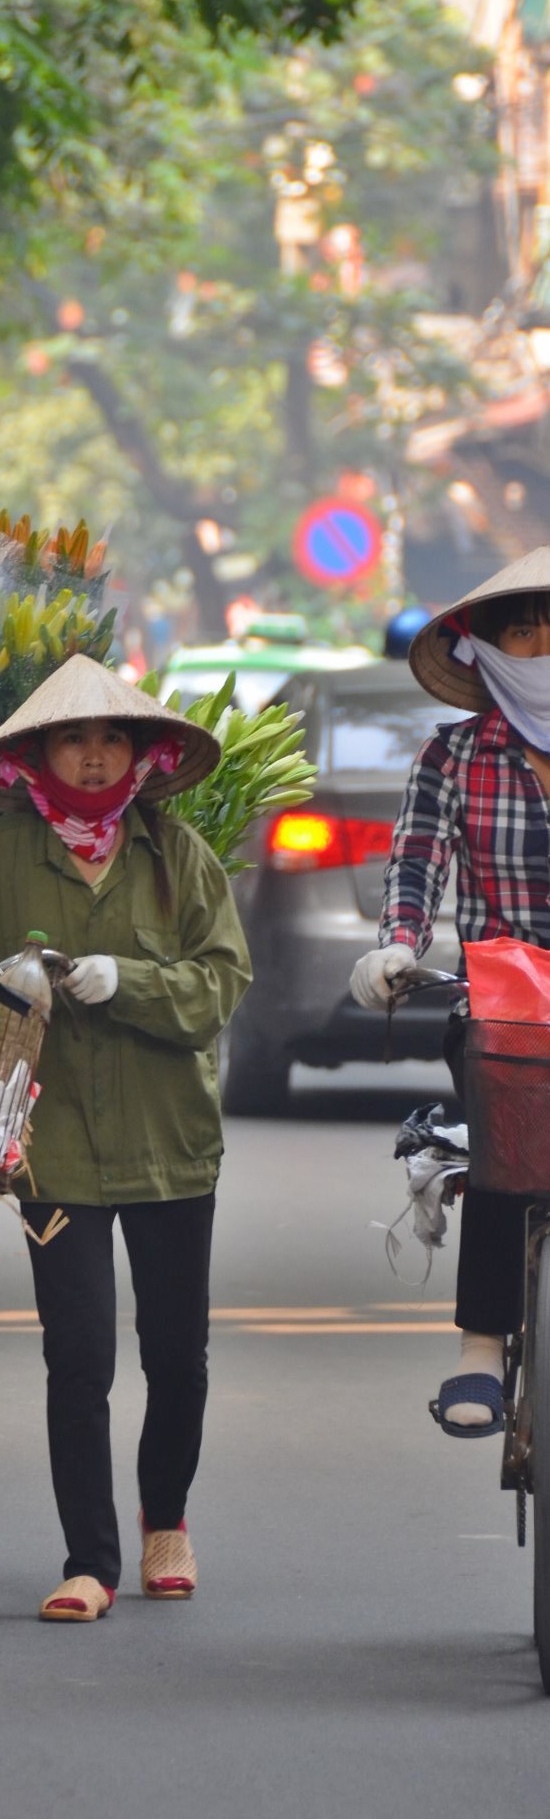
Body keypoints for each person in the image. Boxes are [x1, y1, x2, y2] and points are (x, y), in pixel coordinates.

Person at [0, 655, 252, 1622]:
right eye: (76, 738)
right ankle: (88, 1561)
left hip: (170, 1142)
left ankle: (167, 1522)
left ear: (140, 755)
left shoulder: (176, 856)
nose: (96, 756)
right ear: (38, 755)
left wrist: (130, 982)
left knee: (175, 1356)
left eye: (112, 738)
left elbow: (220, 985)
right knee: (78, 1356)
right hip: (49, 1145)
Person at [349, 547, 550, 1433]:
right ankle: (479, 1351)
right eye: (520, 630)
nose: (540, 645)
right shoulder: (453, 756)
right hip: (504, 1002)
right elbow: (416, 866)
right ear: (487, 649)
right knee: (508, 1153)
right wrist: (394, 948)